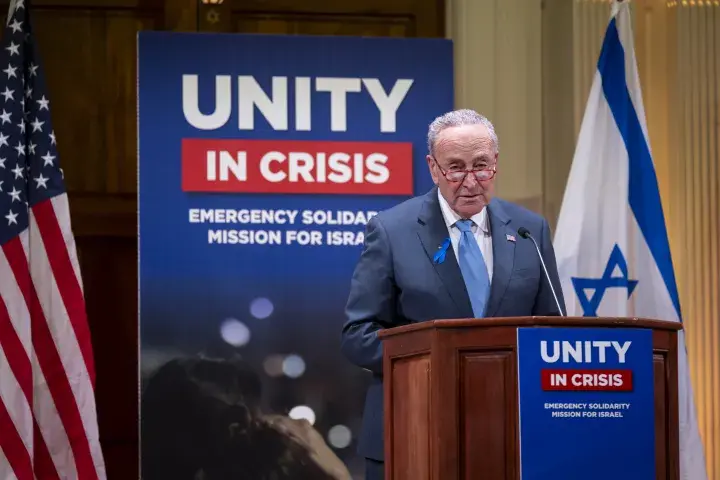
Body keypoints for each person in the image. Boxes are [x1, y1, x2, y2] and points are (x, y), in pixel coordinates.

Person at [340, 109, 565, 480]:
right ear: (433, 168)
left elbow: (552, 331)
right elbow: (357, 336)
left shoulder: (529, 230)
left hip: (510, 434)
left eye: (481, 165)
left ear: (496, 163)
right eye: (455, 167)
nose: (471, 181)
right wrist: (437, 362)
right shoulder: (391, 231)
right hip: (413, 429)